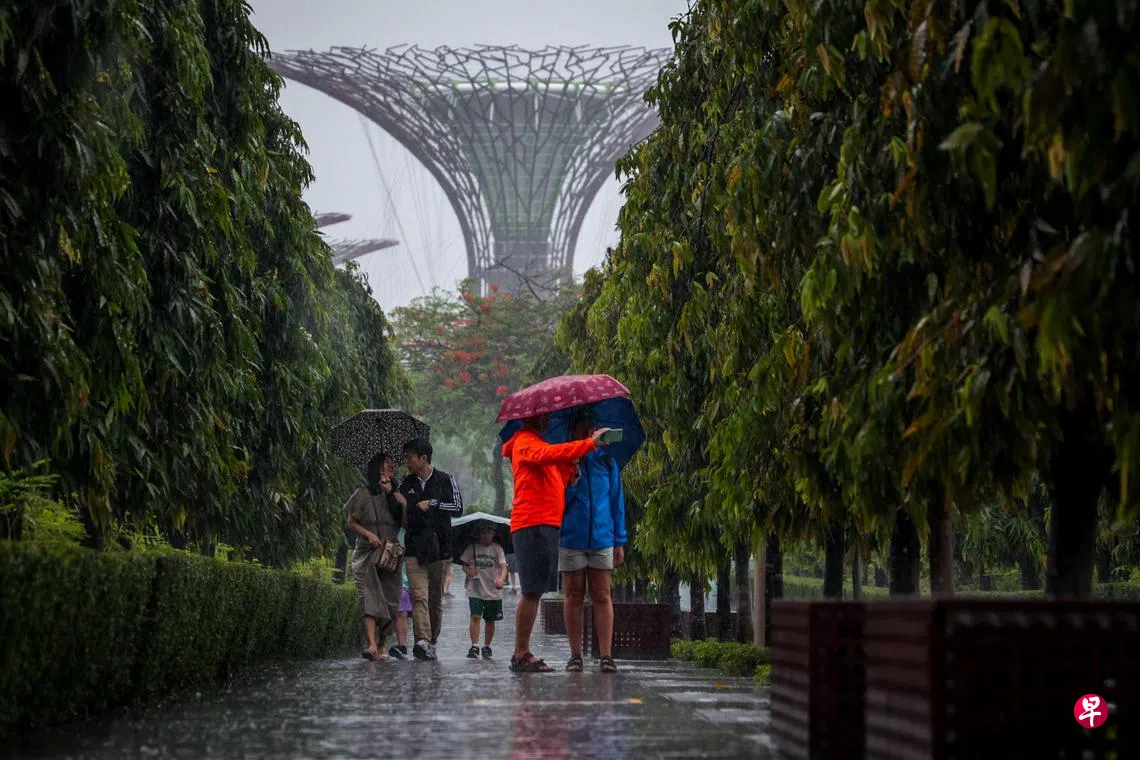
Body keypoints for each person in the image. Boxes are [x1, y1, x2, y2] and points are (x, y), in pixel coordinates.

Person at [501, 414, 610, 673]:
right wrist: (589, 444)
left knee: (535, 590)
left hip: (546, 523)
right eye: (543, 416)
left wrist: (568, 473)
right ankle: (521, 653)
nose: (548, 420)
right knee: (531, 590)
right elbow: (547, 455)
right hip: (532, 523)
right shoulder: (525, 441)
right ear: (533, 419)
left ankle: (522, 651)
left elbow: (551, 479)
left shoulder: (536, 443)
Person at [560, 407, 627, 673]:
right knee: (573, 596)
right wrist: (572, 482)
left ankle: (606, 655)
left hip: (602, 538)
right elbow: (557, 505)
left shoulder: (607, 463)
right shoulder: (563, 462)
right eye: (583, 428)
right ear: (573, 431)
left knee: (602, 595)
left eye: (592, 428)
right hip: (571, 539)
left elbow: (615, 503)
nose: (589, 432)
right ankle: (575, 655)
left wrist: (619, 540)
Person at [399, 437, 463, 661]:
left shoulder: (446, 480)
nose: (407, 463)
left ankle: (431, 640)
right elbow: (397, 509)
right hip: (414, 548)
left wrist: (433, 503)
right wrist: (391, 494)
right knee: (419, 596)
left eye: (410, 458)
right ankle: (422, 641)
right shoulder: (405, 484)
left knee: (435, 600)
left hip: (441, 550)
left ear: (423, 458)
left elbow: (457, 508)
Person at [345, 452, 406, 661]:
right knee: (367, 597)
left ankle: (381, 644)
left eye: (393, 464)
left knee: (390, 600)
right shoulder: (362, 493)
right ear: (377, 468)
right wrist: (369, 534)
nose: (391, 467)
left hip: (389, 554)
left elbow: (405, 523)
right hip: (366, 553)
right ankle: (371, 644)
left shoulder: (397, 495)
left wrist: (393, 497)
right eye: (387, 463)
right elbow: (351, 522)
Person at [459, 523, 508, 659]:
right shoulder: (472, 547)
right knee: (475, 616)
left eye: (489, 532)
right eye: (483, 532)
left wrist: (501, 579)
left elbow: (503, 567)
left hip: (493, 589)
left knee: (490, 619)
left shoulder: (497, 549)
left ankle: (487, 646)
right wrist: (470, 570)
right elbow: (464, 564)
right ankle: (474, 646)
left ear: (493, 534)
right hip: (475, 588)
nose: (485, 535)